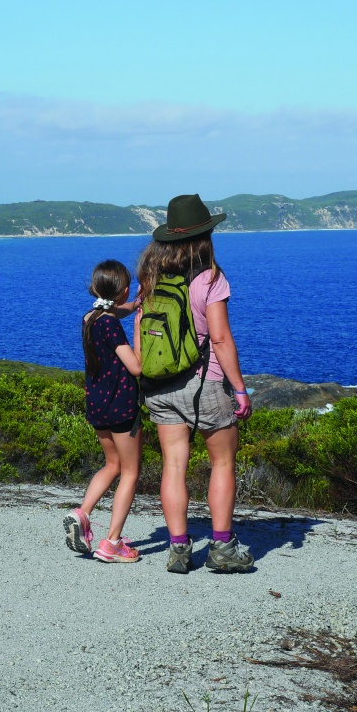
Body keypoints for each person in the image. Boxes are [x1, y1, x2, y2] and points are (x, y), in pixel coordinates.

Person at [137, 194, 254, 573]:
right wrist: (239, 388)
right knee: (222, 462)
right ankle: (221, 549)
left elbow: (140, 327)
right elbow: (219, 339)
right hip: (204, 384)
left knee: (173, 465)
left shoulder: (150, 275)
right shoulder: (210, 278)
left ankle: (178, 550)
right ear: (205, 236)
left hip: (159, 386)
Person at [63, 260, 143, 563]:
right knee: (130, 472)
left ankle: (81, 514)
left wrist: (135, 304)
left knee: (112, 464)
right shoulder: (111, 324)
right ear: (122, 290)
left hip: (96, 404)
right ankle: (111, 543)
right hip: (120, 406)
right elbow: (135, 367)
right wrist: (136, 328)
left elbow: (113, 311)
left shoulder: (91, 317)